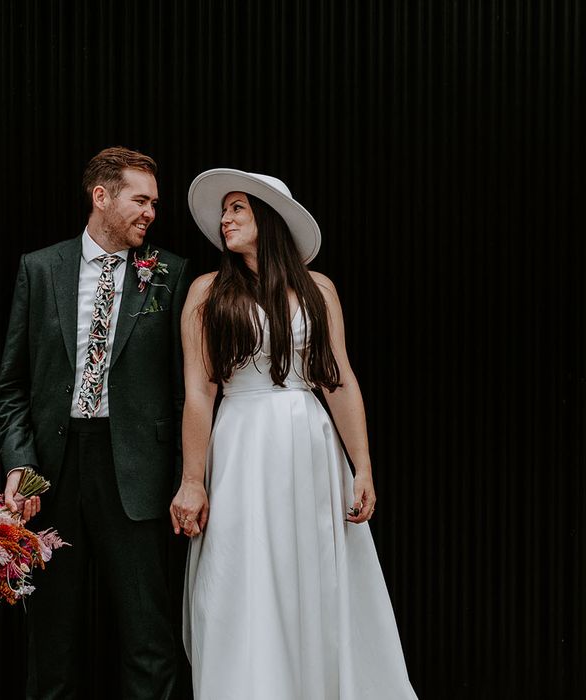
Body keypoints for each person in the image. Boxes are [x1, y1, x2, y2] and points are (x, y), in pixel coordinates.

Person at [171, 168, 418, 699]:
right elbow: (200, 392)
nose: (225, 218)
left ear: (270, 218)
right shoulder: (206, 292)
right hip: (240, 444)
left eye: (238, 207)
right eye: (225, 209)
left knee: (312, 572)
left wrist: (363, 465)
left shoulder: (317, 288)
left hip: (307, 443)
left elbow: (338, 378)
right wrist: (193, 480)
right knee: (243, 569)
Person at [0, 146, 193, 699]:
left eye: (156, 202)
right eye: (140, 199)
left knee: (148, 637)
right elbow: (11, 387)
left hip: (137, 472)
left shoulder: (170, 274)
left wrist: (188, 477)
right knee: (51, 638)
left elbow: (185, 392)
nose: (152, 212)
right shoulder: (40, 267)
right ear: (100, 197)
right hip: (54, 473)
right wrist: (21, 466)